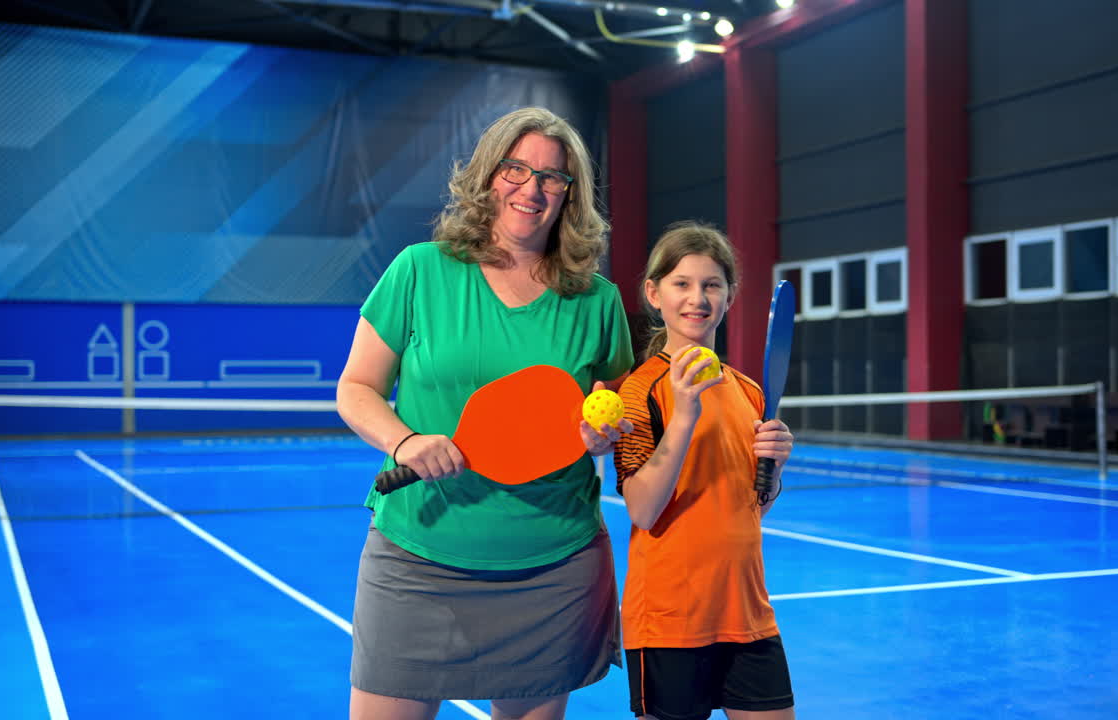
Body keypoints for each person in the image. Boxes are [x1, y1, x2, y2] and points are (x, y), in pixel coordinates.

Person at [336, 106, 635, 720]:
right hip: (417, 555)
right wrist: (404, 441)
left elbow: (619, 407)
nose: (532, 188)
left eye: (553, 177)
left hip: (553, 567)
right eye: (516, 168)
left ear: (569, 195)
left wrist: (607, 435)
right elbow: (357, 387)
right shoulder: (419, 270)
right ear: (487, 175)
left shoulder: (598, 301)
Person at [613, 221, 796, 720]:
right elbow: (644, 510)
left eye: (712, 284)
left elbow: (753, 505)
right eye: (682, 284)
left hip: (748, 614)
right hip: (672, 621)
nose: (698, 298)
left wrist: (773, 470)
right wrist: (686, 415)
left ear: (730, 295)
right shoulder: (639, 391)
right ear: (654, 294)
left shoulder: (749, 391)